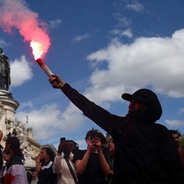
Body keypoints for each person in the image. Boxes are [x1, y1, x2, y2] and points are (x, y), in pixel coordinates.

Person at [49, 74, 184, 184]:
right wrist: (64, 87)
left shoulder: (161, 132)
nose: (130, 106)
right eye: (130, 102)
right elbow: (91, 109)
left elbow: (174, 168)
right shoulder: (121, 126)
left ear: (148, 106)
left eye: (135, 102)